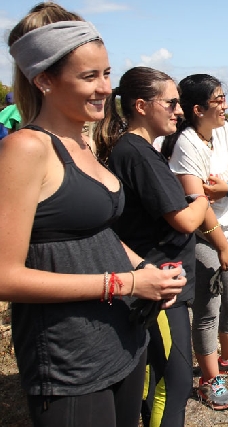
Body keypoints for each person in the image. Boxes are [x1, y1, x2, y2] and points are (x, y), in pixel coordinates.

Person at [0, 3, 186, 427]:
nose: (106, 89)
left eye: (106, 73)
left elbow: (95, 232)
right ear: (44, 80)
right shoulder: (27, 149)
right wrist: (126, 282)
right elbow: (4, 275)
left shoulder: (83, 144)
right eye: (89, 76)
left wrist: (145, 269)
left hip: (118, 340)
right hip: (70, 358)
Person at [93, 67, 211, 427]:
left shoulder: (136, 150)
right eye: (172, 102)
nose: (179, 110)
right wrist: (203, 197)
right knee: (172, 383)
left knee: (153, 378)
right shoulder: (140, 154)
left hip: (158, 282)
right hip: (159, 288)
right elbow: (186, 220)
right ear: (142, 106)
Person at [162, 73, 228, 410]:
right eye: (218, 100)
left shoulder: (225, 131)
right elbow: (196, 204)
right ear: (197, 109)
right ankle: (207, 379)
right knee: (208, 308)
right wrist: (220, 247)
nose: (225, 105)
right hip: (203, 237)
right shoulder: (186, 145)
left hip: (227, 230)